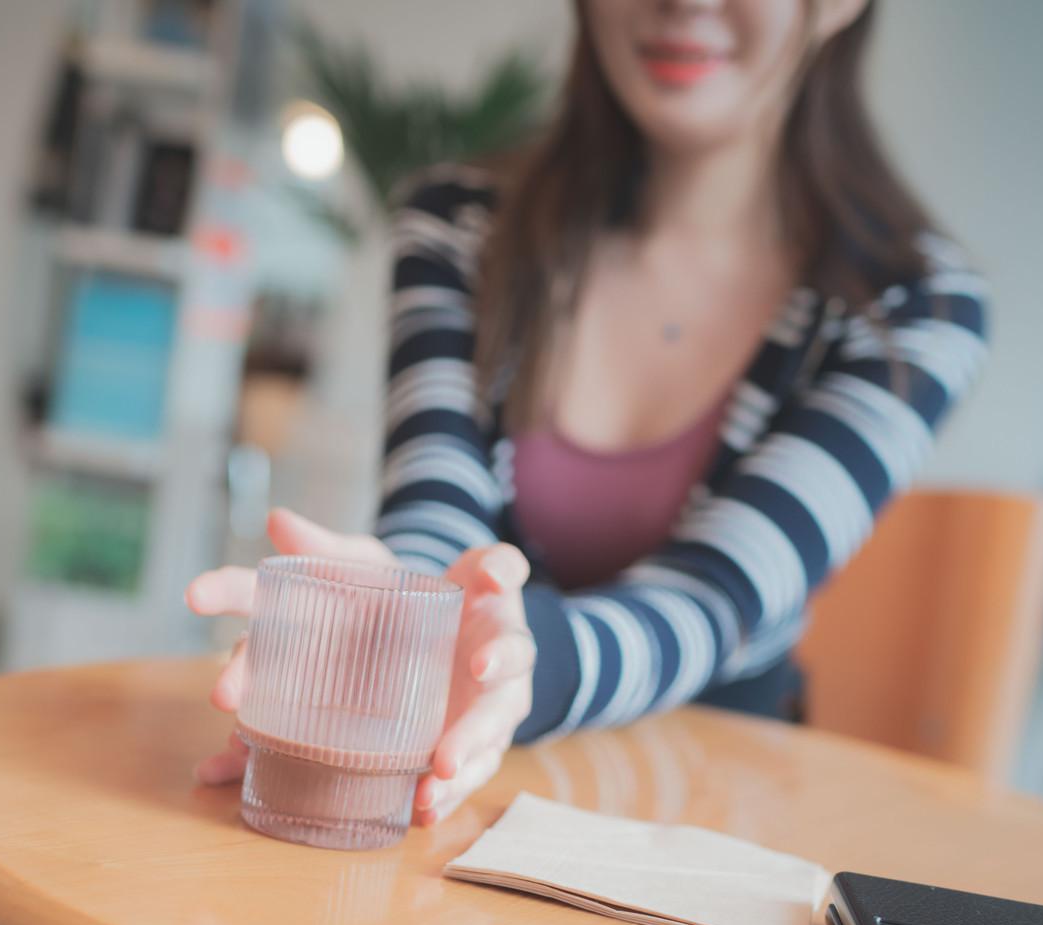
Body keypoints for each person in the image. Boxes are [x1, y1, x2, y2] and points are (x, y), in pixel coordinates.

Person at [187, 0, 988, 836]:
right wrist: (390, 621)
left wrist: (511, 664)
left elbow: (713, 601)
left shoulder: (913, 309)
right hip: (454, 787)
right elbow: (435, 518)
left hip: (710, 826)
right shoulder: (457, 226)